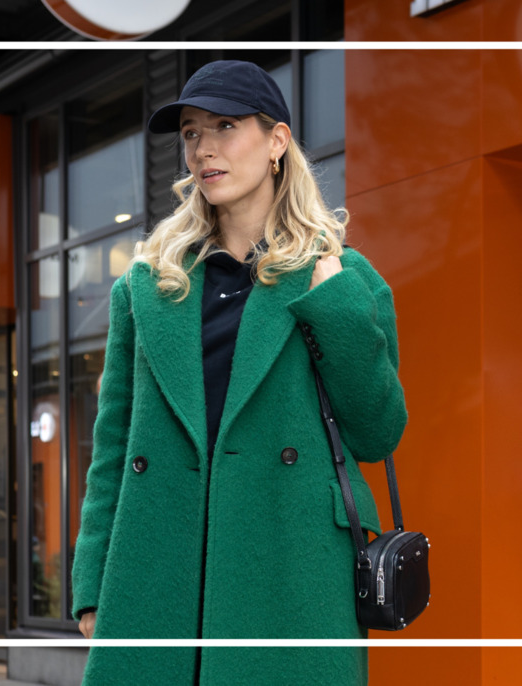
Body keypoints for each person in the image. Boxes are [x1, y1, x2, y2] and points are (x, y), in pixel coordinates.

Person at [69, 59, 408, 686]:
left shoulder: (341, 275)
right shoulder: (148, 286)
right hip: (159, 570)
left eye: (225, 126)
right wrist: (92, 581)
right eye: (192, 133)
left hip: (292, 569)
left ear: (277, 141)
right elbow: (113, 447)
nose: (204, 148)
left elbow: (378, 431)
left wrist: (334, 305)